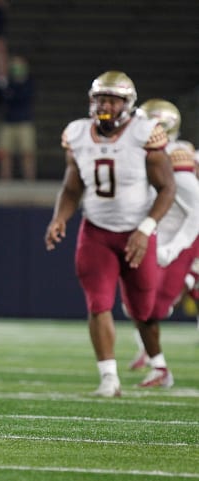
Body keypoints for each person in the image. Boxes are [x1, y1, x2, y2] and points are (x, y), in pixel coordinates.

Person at [44, 71, 176, 397]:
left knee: (143, 311)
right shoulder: (77, 134)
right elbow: (72, 186)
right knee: (98, 303)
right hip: (97, 232)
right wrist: (60, 218)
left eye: (113, 99)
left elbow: (167, 188)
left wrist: (145, 229)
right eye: (101, 98)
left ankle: (158, 363)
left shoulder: (144, 134)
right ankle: (109, 378)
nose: (105, 105)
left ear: (127, 104)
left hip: (136, 231)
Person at [125, 99, 199, 387]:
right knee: (140, 303)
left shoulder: (175, 155)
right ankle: (155, 362)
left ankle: (156, 363)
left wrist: (175, 247)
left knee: (154, 307)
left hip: (180, 240)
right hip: (159, 238)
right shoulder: (143, 153)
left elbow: (195, 208)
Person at [0, 55, 36, 180]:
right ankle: (5, 180)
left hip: (25, 122)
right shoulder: (5, 82)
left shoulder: (29, 82)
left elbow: (22, 98)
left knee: (27, 153)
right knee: (4, 154)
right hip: (7, 122)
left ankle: (30, 181)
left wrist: (11, 94)